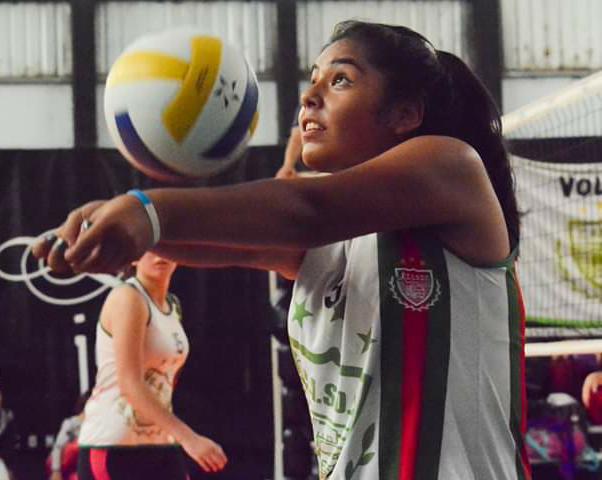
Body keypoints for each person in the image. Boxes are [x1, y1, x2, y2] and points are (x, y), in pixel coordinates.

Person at [34, 20, 529, 479]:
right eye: (313, 80)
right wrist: (111, 220)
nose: (309, 96)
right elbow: (226, 239)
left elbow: (304, 209)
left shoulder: (451, 165)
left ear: (405, 114)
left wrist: (146, 209)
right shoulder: (339, 240)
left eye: (340, 80)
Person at [74, 252, 227, 479]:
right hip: (114, 444)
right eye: (149, 248)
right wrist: (189, 439)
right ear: (133, 257)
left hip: (160, 442)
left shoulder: (172, 305)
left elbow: (167, 379)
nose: (159, 255)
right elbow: (130, 384)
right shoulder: (128, 297)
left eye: (166, 247)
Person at [48, 391, 90, 480]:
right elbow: (58, 447)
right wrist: (56, 471)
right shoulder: (71, 423)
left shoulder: (97, 425)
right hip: (69, 469)